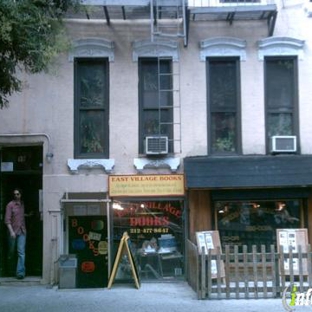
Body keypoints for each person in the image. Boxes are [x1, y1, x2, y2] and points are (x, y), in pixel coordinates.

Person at [4, 188, 31, 279]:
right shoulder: (10, 205)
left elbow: (20, 215)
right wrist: (11, 232)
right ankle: (9, 270)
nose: (16, 195)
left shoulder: (22, 204)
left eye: (18, 194)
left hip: (22, 231)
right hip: (13, 231)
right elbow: (7, 220)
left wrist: (28, 215)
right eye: (15, 194)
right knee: (11, 252)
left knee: (21, 252)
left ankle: (20, 272)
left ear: (21, 194)